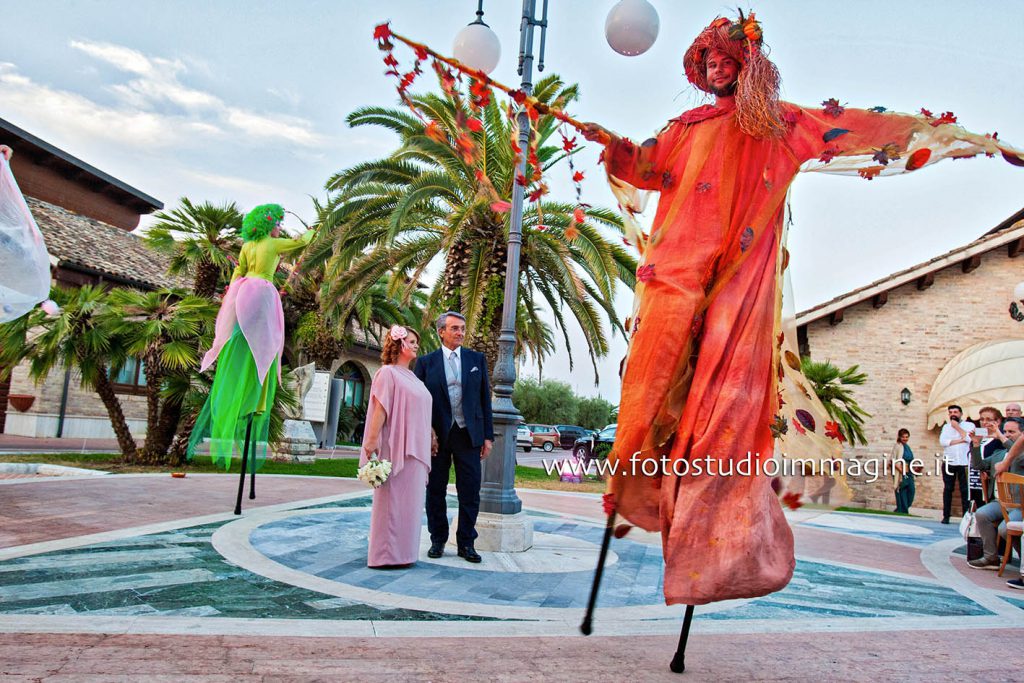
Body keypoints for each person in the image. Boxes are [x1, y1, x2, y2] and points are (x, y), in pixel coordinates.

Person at [579, 10, 1024, 606]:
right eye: (706, 58)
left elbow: (860, 128)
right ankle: (648, 487)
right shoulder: (684, 127)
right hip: (678, 271)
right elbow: (649, 166)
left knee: (726, 406)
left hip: (739, 278)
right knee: (651, 383)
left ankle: (721, 551)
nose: (714, 66)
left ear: (747, 64)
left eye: (724, 56)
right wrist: (614, 145)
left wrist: (962, 140)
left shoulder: (779, 124)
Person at [188, 204, 313, 468]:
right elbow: (300, 242)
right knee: (267, 346)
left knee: (247, 342)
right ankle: (256, 400)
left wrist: (232, 295)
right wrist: (315, 231)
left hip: (243, 292)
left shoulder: (247, 246)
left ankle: (244, 397)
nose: (280, 227)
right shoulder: (273, 243)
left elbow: (238, 272)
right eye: (278, 223)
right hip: (263, 292)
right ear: (270, 225)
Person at [413, 311, 494, 563]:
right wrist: (427, 432)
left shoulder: (476, 359)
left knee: (469, 491)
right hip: (437, 437)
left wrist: (487, 437)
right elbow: (418, 402)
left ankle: (466, 543)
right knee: (435, 489)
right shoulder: (426, 363)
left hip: (468, 435)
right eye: (455, 328)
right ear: (441, 332)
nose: (460, 332)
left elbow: (484, 400)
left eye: (462, 328)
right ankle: (437, 540)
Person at [360, 325, 433, 569]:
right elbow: (381, 408)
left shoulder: (413, 377)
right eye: (411, 341)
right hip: (396, 449)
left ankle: (405, 553)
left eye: (416, 341)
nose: (415, 345)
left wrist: (430, 435)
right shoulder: (387, 373)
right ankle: (384, 555)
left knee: (410, 505)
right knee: (391, 502)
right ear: (399, 344)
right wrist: (371, 441)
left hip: (416, 453)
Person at [967, 417, 1024, 570]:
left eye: (1012, 432)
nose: (1007, 434)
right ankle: (991, 557)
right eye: (1005, 431)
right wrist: (976, 444)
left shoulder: (1021, 454)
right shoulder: (999, 454)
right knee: (981, 514)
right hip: (999, 502)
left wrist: (999, 435)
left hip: (1019, 504)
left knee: (1005, 529)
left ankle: (1022, 562)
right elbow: (978, 465)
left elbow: (1016, 454)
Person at [939, 405, 975, 524]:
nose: (953, 414)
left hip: (964, 462)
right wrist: (961, 440)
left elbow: (971, 440)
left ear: (961, 414)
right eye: (950, 412)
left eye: (955, 412)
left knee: (965, 490)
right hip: (949, 461)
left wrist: (958, 428)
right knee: (948, 489)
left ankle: (965, 517)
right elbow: (943, 442)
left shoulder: (969, 426)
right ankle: (946, 516)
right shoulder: (946, 427)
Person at [890, 429, 915, 514]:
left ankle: (901, 508)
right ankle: (902, 510)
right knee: (902, 491)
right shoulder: (898, 446)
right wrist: (902, 471)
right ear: (899, 437)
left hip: (909, 472)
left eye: (906, 437)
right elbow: (893, 460)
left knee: (912, 491)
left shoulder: (907, 447)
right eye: (903, 437)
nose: (905, 438)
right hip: (900, 472)